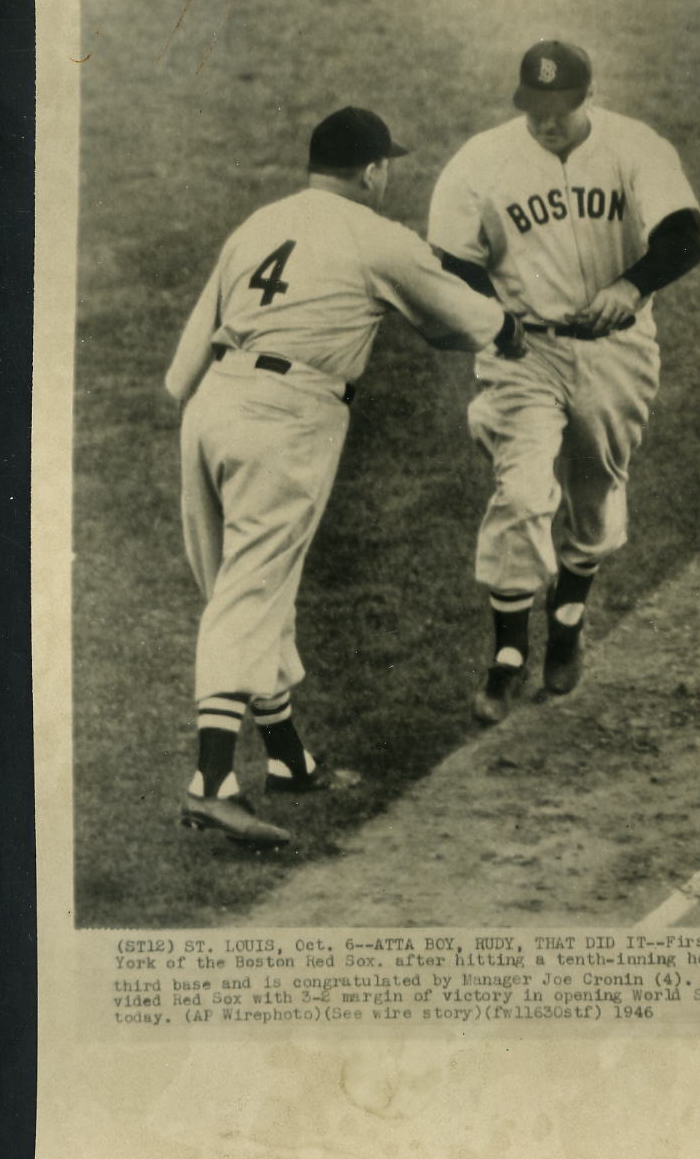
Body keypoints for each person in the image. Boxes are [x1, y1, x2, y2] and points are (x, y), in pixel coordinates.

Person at [165, 106, 526, 845]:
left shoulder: (258, 224)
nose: (386, 174)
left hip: (208, 407)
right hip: (285, 414)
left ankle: (291, 758)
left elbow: (180, 370)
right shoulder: (373, 234)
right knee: (252, 585)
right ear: (370, 171)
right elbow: (455, 316)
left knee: (247, 581)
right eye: (385, 164)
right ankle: (211, 781)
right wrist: (507, 328)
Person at [427, 40, 700, 724]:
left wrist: (633, 283)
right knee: (520, 491)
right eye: (536, 108)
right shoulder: (480, 162)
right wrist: (495, 319)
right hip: (525, 354)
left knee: (598, 489)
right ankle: (508, 654)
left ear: (588, 96)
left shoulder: (636, 147)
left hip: (618, 349)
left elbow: (684, 234)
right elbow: (447, 261)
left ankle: (570, 613)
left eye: (562, 108)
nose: (548, 122)